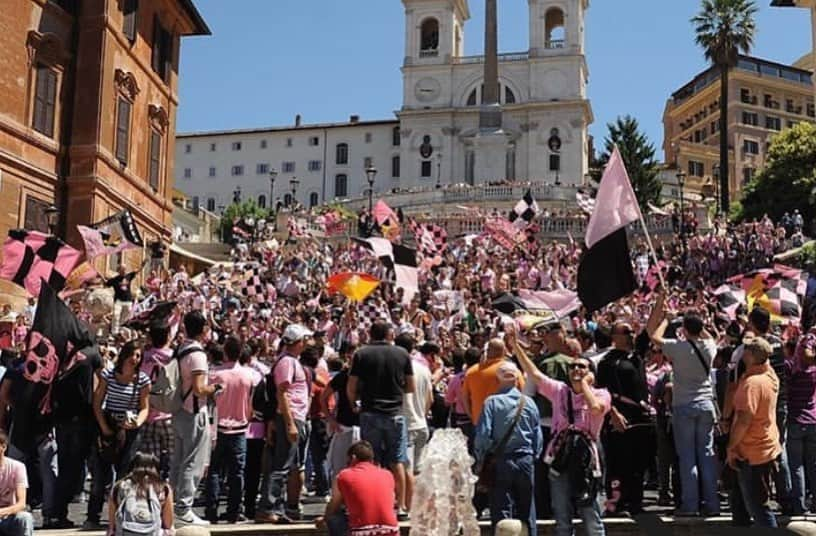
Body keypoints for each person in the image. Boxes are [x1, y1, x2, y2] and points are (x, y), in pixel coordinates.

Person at [511, 328, 610, 536]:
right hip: (560, 456)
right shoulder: (559, 391)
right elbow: (535, 375)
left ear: (591, 372)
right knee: (561, 514)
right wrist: (515, 346)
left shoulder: (601, 394)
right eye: (573, 366)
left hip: (586, 459)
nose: (575, 369)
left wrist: (584, 385)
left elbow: (595, 409)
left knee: (591, 514)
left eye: (581, 367)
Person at [646, 296, 720, 517]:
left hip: (684, 406)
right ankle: (713, 504)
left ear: (685, 330)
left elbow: (654, 335)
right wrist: (696, 322)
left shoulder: (677, 348)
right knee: (706, 455)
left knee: (687, 458)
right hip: (706, 405)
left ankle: (691, 505)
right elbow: (709, 335)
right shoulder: (709, 345)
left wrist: (668, 320)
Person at [347, 321, 415, 518]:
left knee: (371, 460)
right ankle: (401, 506)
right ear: (389, 335)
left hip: (370, 411)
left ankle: (375, 502)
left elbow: (352, 385)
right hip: (395, 412)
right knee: (398, 460)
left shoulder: (361, 354)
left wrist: (354, 403)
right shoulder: (402, 353)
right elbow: (410, 386)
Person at [474, 361, 542, 535]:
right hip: (525, 459)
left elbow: (483, 436)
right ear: (517, 378)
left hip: (500, 460)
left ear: (498, 379)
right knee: (527, 508)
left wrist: (482, 458)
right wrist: (532, 456)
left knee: (501, 509)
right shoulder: (529, 403)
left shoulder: (492, 403)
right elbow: (538, 437)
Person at [87, 340, 150, 529]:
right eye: (132, 354)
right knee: (100, 475)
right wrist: (104, 427)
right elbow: (97, 402)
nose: (134, 359)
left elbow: (144, 407)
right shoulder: (109, 375)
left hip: (130, 429)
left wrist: (137, 422)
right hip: (109, 424)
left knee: (125, 475)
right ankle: (93, 516)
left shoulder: (142, 379)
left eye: (138, 356)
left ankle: (121, 515)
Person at [256, 324, 313, 524]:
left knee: (285, 465)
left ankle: (276, 508)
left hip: (292, 416)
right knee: (281, 465)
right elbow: (282, 393)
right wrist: (290, 423)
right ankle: (268, 507)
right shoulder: (287, 363)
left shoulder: (290, 361)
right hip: (291, 417)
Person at [596, 322, 651, 516]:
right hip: (618, 418)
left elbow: (650, 328)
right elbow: (600, 391)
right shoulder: (607, 362)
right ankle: (615, 503)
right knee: (617, 462)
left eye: (631, 332)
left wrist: (661, 298)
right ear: (614, 336)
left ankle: (635, 502)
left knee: (638, 462)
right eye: (626, 332)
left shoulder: (636, 355)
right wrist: (612, 413)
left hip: (640, 417)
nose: (631, 335)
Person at [172, 310, 221, 526]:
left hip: (179, 411)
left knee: (179, 462)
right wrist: (215, 388)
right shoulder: (198, 354)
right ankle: (183, 507)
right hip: (194, 412)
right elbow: (200, 388)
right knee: (193, 462)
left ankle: (173, 505)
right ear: (203, 329)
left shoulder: (181, 348)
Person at [727, 336, 781, 528]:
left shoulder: (753, 384)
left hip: (751, 452)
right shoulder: (770, 375)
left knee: (758, 507)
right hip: (766, 446)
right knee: (753, 502)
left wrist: (731, 447)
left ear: (750, 355)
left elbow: (743, 420)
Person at [205, 336, 260, 523]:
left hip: (217, 428)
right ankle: (234, 512)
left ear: (225, 352)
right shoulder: (249, 375)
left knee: (214, 470)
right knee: (237, 473)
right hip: (240, 427)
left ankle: (211, 510)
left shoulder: (214, 374)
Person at [315, 441, 399, 536]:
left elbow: (333, 505)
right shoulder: (387, 475)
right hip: (391, 530)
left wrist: (323, 519)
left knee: (335, 518)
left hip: (361, 532)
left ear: (353, 458)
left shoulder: (343, 476)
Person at [139, 322, 175, 479]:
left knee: (149, 460)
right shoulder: (174, 357)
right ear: (168, 336)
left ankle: (150, 487)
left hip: (148, 413)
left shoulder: (142, 357)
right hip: (170, 414)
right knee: (175, 458)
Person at [786, 327, 816, 514]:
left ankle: (799, 505)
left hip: (796, 419)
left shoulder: (791, 367)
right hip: (813, 420)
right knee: (813, 464)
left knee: (796, 465)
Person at [107, 453, 173, 536]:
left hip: (125, 532)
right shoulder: (162, 488)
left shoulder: (119, 486)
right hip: (152, 533)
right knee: (171, 530)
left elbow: (112, 523)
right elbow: (168, 523)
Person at [0, 430, 33, 536]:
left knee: (25, 518)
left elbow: (21, 504)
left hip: (9, 515)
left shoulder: (17, 467)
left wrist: (2, 512)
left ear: (3, 447)